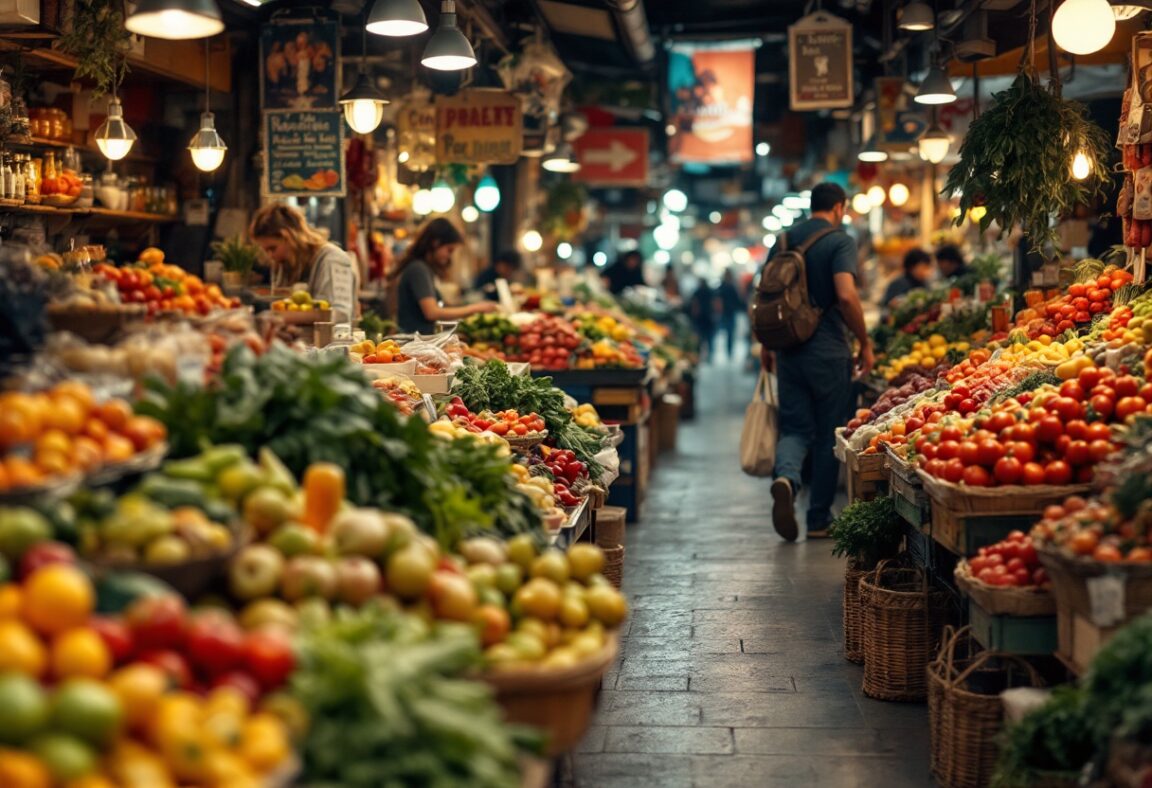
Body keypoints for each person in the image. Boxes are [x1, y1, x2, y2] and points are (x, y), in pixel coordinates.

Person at [764, 182, 874, 541]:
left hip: (788, 350)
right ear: (839, 207)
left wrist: (767, 344)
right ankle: (817, 519)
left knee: (795, 428)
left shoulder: (782, 241)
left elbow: (765, 296)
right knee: (830, 431)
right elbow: (845, 295)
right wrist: (864, 341)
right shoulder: (839, 241)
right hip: (827, 351)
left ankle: (788, 478)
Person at [250, 203, 359, 325]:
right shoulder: (286, 264)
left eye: (272, 248)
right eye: (266, 251)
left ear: (289, 237)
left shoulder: (332, 259)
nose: (270, 256)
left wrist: (278, 316)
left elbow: (339, 314)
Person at [388, 217, 497, 334]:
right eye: (449, 250)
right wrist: (475, 309)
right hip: (414, 343)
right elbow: (432, 312)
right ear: (436, 243)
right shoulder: (418, 269)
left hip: (420, 342)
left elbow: (439, 306)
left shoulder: (422, 268)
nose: (449, 256)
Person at [714, 268, 745, 361]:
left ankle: (729, 351)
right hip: (727, 312)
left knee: (728, 333)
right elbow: (737, 300)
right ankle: (729, 351)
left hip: (728, 312)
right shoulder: (730, 286)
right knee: (729, 332)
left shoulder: (725, 286)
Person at [688, 278, 715, 361]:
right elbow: (714, 303)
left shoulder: (697, 292)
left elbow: (693, 303)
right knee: (709, 338)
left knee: (701, 338)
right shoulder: (710, 292)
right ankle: (709, 355)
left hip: (701, 318)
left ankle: (701, 354)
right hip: (709, 317)